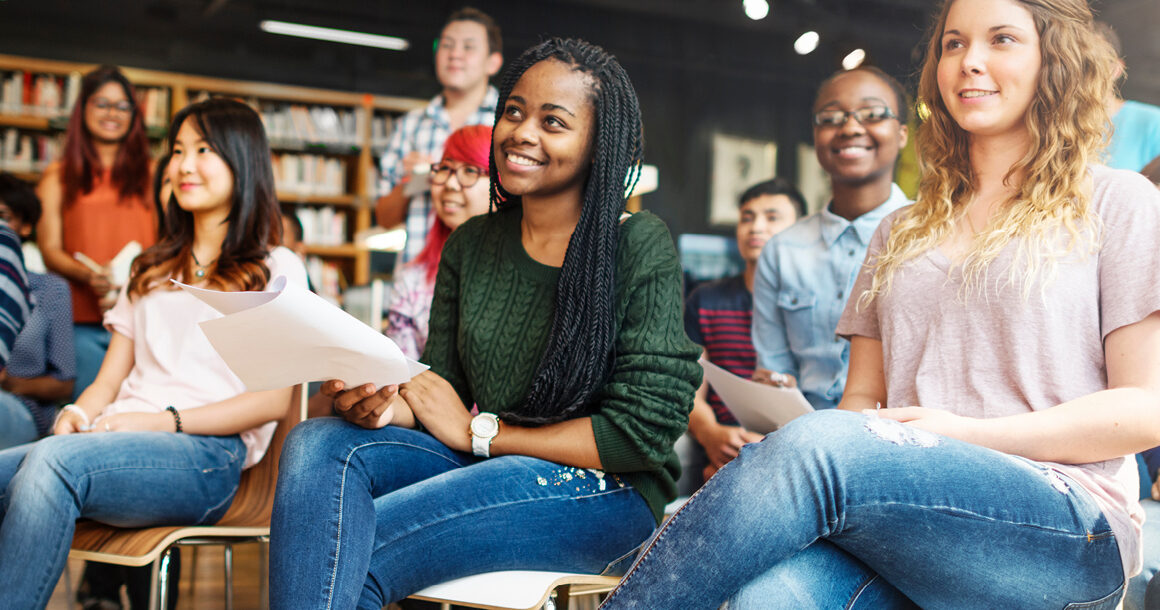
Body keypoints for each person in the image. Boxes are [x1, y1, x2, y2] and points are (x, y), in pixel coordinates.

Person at [601, 0, 1157, 607]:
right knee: (770, 598)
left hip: (1067, 523)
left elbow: (1143, 409)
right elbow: (860, 404)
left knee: (818, 447)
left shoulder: (1115, 203)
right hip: (909, 521)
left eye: (1001, 39)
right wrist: (783, 463)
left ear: (1055, 59)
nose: (971, 61)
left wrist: (969, 435)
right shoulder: (900, 231)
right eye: (953, 44)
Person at [270, 38, 701, 609]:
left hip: (607, 493)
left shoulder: (637, 243)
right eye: (515, 112)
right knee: (319, 443)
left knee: (357, 545)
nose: (522, 131)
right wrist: (381, 403)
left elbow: (643, 431)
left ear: (598, 147)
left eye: (554, 121)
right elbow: (442, 388)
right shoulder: (472, 243)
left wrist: (483, 434)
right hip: (489, 460)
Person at [0, 98, 307, 608]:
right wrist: (78, 411)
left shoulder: (275, 268)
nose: (184, 165)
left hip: (210, 456)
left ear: (243, 159)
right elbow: (108, 379)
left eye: (204, 149)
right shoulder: (150, 267)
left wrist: (162, 421)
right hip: (116, 436)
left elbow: (276, 401)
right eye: (178, 150)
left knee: (54, 466)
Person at [750, 65, 910, 411]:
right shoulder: (781, 252)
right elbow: (774, 369)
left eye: (872, 113)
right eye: (832, 117)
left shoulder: (932, 236)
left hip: (902, 441)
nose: (850, 127)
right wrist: (773, 388)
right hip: (803, 436)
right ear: (815, 134)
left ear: (902, 134)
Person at [35, 66, 157, 401]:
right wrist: (91, 276)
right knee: (87, 416)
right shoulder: (57, 176)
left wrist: (131, 277)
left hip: (145, 321)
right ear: (83, 108)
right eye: (102, 103)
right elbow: (50, 248)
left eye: (122, 106)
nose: (112, 114)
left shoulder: (154, 174)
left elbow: (168, 242)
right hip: (81, 323)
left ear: (134, 114)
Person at [679, 177, 805, 492]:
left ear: (802, 231)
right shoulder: (705, 300)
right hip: (722, 448)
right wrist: (711, 434)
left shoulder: (815, 305)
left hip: (795, 450)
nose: (755, 227)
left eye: (772, 218)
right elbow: (689, 388)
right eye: (747, 218)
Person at [375, 7, 502, 266]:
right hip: (418, 281)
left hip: (487, 273)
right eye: (446, 45)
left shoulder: (508, 123)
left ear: (493, 62)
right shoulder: (410, 126)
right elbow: (384, 218)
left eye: (468, 47)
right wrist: (416, 181)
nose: (455, 54)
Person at [384, 124, 492, 360]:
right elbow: (397, 375)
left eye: (470, 171)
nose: (451, 184)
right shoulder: (412, 281)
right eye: (445, 168)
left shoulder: (523, 274)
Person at [0, 173, 74, 450]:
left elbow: (64, 384)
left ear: (26, 226)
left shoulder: (50, 289)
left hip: (22, 407)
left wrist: (9, 383)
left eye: (2, 216)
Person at [1095, 22, 1160, 172]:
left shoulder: (1153, 122)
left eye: (1097, 62)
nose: (1085, 72)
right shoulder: (1053, 124)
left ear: (1117, 69)